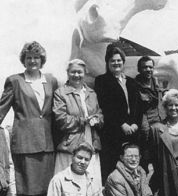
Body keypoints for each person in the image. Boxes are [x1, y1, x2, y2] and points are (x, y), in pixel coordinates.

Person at [0, 41, 58, 196]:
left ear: (42, 60)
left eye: (37, 57)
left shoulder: (51, 80)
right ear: (24, 60)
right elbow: (2, 109)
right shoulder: (15, 81)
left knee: (44, 183)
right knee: (26, 184)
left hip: (47, 139)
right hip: (25, 140)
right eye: (29, 57)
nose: (33, 61)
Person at [53, 59, 104, 187]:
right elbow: (61, 120)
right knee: (68, 186)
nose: (76, 75)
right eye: (73, 72)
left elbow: (100, 114)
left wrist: (97, 120)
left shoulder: (91, 93)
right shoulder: (61, 93)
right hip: (70, 146)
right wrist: (83, 120)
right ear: (67, 73)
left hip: (91, 142)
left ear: (85, 73)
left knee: (91, 185)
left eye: (79, 72)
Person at [95, 44, 139, 183]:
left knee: (131, 169)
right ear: (107, 63)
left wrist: (135, 124)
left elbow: (138, 106)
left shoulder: (131, 82)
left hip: (132, 132)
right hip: (112, 133)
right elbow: (105, 106)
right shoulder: (102, 81)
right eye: (112, 60)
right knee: (112, 171)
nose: (116, 63)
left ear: (123, 62)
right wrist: (122, 124)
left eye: (119, 60)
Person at [135, 56, 165, 170]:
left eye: (150, 67)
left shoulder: (156, 82)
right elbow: (137, 109)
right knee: (145, 159)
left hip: (159, 122)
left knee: (160, 160)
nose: (148, 70)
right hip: (145, 127)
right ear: (139, 69)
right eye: (145, 67)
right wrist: (145, 129)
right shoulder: (134, 86)